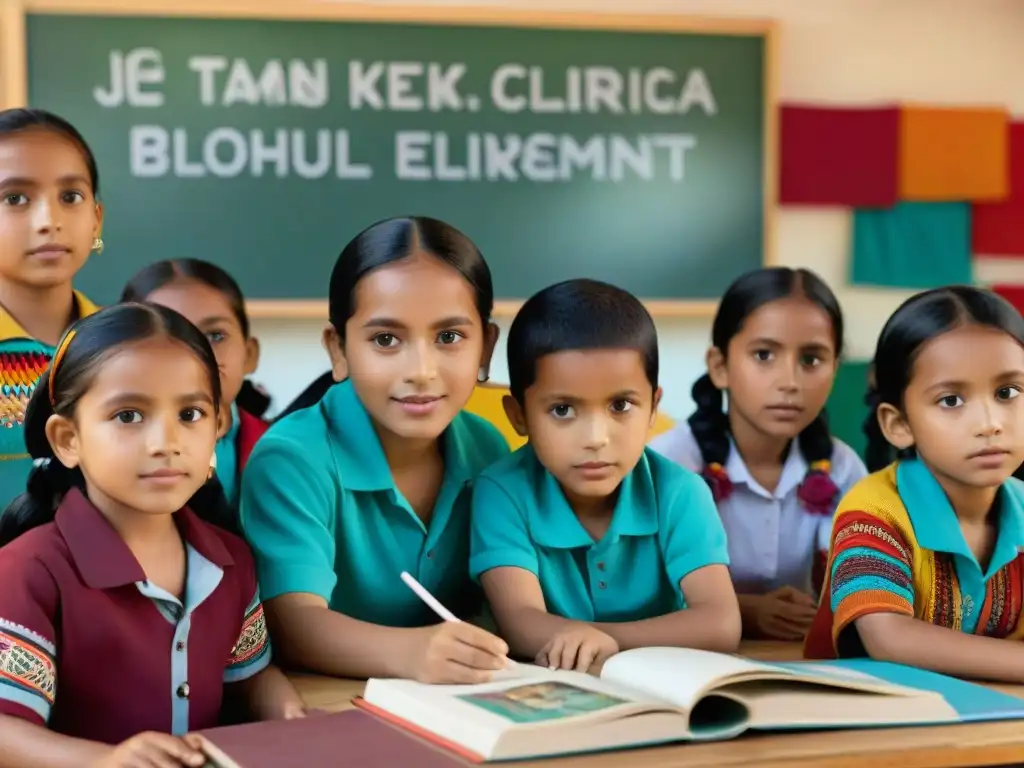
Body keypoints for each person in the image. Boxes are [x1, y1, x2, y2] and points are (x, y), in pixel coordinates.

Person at [0, 303, 304, 768]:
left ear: (218, 426)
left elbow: (250, 679)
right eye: (128, 416)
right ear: (67, 439)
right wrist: (104, 762)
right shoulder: (30, 570)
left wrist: (289, 715)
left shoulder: (229, 560)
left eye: (190, 413)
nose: (167, 440)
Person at [240, 216, 511, 684]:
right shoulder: (291, 458)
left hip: (457, 705)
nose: (421, 370)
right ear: (339, 350)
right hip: (325, 707)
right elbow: (291, 623)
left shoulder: (488, 446)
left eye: (449, 337)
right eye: (386, 339)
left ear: (485, 348)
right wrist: (411, 653)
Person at [470, 279, 740, 673]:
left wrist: (605, 640)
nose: (596, 439)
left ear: (652, 408)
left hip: (663, 687)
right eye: (563, 410)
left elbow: (720, 622)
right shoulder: (502, 491)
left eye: (620, 405)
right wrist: (601, 640)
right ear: (519, 415)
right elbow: (522, 625)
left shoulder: (681, 492)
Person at [804, 286, 1024, 684]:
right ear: (899, 424)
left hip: (998, 721)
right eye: (952, 400)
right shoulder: (873, 510)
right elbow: (888, 638)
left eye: (1008, 392)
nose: (990, 422)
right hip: (873, 724)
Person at [650, 268, 866, 641]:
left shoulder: (844, 470)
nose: (790, 382)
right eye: (764, 355)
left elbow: (859, 585)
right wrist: (747, 611)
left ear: (835, 370)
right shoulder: (667, 465)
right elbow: (639, 592)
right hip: (686, 656)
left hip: (798, 659)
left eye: (812, 359)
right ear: (719, 367)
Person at [0, 108, 105, 507]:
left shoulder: (130, 347)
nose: (49, 220)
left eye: (70, 196)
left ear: (96, 219)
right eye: (15, 198)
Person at [121, 259, 266, 507]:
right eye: (169, 336)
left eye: (215, 336)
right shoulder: (109, 453)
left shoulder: (288, 448)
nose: (198, 355)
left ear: (249, 354)